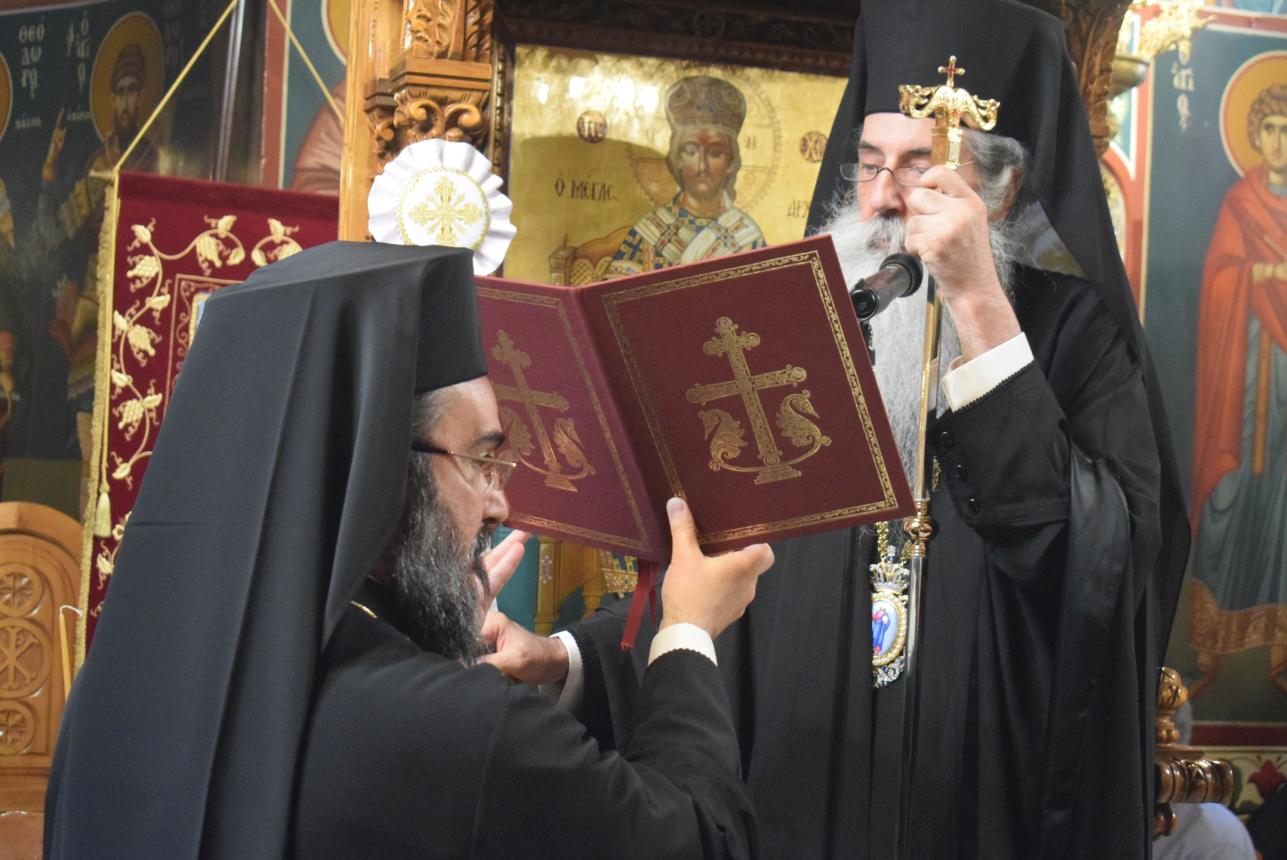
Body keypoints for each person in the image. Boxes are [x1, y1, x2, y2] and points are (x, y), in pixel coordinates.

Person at [491, 2, 1189, 857]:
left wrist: (975, 300)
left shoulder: (1078, 340)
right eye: (868, 165)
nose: (886, 198)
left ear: (999, 190)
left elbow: (1096, 566)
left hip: (981, 809)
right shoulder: (814, 328)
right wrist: (565, 658)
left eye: (921, 169)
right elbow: (723, 567)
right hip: (795, 796)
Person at [43, 242, 774, 858]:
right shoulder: (459, 724)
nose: (499, 504)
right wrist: (685, 631)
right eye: (481, 460)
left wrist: (426, 632)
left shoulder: (114, 693)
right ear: (379, 476)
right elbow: (699, 838)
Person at [1189, 81, 1287, 697]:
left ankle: (1279, 647)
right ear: (1255, 135)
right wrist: (1262, 272)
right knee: (1230, 487)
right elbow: (1218, 280)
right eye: (1271, 129)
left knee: (1283, 494)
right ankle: (1210, 643)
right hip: (1246, 369)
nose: (1279, 141)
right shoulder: (1240, 201)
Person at [608, 75, 766, 275]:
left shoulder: (747, 239)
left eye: (715, 152)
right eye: (690, 151)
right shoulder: (649, 232)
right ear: (677, 158)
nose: (702, 166)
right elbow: (609, 293)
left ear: (730, 161)